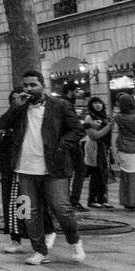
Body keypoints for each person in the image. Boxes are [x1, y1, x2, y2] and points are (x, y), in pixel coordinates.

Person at [0, 69, 85, 265]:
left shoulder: (60, 105)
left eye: (33, 85)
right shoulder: (20, 108)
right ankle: (39, 250)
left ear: (42, 85)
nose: (29, 89)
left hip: (53, 168)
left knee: (62, 208)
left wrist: (61, 146)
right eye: (26, 85)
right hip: (24, 168)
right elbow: (3, 125)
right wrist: (15, 107)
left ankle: (75, 241)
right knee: (30, 212)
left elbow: (77, 130)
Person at [0, 86, 55, 254]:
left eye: (20, 99)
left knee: (32, 205)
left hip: (29, 168)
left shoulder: (31, 118)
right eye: (13, 100)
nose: (17, 102)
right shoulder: (9, 118)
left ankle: (47, 231)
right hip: (10, 168)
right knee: (13, 206)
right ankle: (15, 238)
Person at [61, 83, 89, 213]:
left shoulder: (62, 103)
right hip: (70, 143)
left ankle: (67, 199)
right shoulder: (66, 104)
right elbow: (73, 126)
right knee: (78, 170)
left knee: (70, 171)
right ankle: (72, 200)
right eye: (76, 91)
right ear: (70, 92)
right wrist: (87, 125)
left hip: (67, 142)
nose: (78, 94)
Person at [82, 96, 113, 208]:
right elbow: (94, 136)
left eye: (99, 103)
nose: (97, 105)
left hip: (104, 148)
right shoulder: (89, 118)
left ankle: (103, 199)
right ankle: (92, 199)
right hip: (94, 148)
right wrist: (108, 127)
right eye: (94, 103)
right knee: (96, 173)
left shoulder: (105, 117)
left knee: (103, 174)